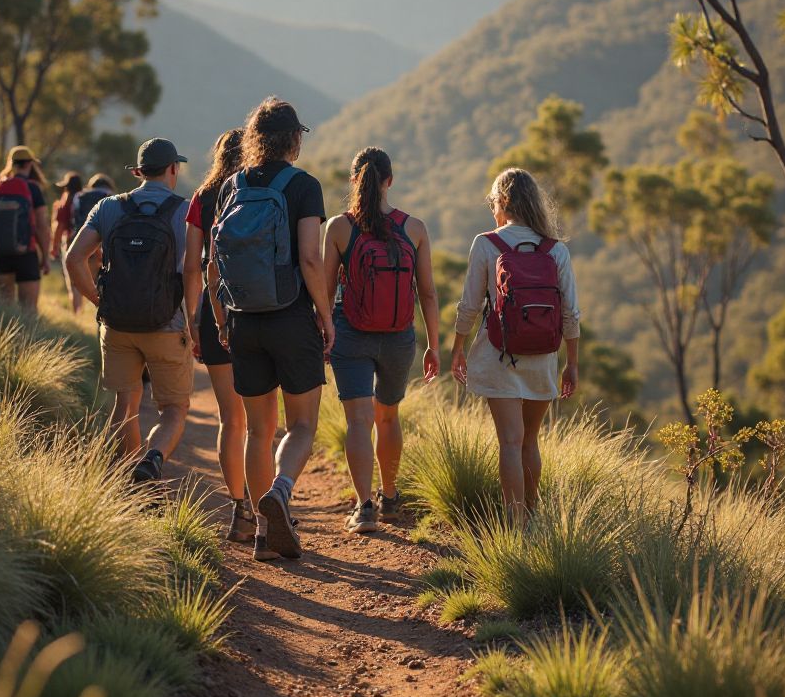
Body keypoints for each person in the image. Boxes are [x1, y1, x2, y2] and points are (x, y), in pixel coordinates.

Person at [208, 98, 332, 562]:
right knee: (301, 425)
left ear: (255, 136)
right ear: (295, 138)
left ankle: (262, 534)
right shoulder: (303, 186)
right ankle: (280, 493)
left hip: (243, 319)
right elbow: (311, 259)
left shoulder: (232, 185)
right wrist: (324, 314)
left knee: (259, 431)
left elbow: (213, 266)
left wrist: (222, 321)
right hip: (290, 317)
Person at [450, 168, 580, 523]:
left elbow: (470, 305)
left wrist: (458, 346)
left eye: (493, 203)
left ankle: (514, 525)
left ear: (503, 202)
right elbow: (571, 313)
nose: (493, 210)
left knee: (509, 442)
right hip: (542, 357)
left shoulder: (486, 244)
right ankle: (533, 518)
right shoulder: (556, 251)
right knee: (529, 442)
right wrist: (572, 363)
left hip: (499, 354)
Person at [323, 147, 441, 533]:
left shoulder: (340, 228)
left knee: (358, 422)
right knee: (387, 417)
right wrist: (433, 346)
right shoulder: (415, 228)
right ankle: (390, 498)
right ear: (390, 180)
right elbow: (428, 293)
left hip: (351, 334)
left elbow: (324, 292)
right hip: (399, 337)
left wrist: (324, 331)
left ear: (354, 180)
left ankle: (365, 507)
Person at [65, 138, 197, 484]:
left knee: (126, 404)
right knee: (174, 409)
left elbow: (74, 259)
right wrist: (194, 321)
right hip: (167, 325)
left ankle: (128, 482)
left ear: (138, 172)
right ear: (173, 169)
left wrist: (98, 300)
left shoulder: (108, 207)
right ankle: (152, 461)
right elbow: (194, 271)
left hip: (117, 324)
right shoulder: (185, 212)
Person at [184, 128, 252, 543]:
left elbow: (193, 266)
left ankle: (239, 509)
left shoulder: (201, 198)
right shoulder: (253, 191)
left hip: (215, 312)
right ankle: (268, 508)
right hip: (260, 311)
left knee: (231, 418)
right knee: (260, 421)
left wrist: (193, 318)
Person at [0, 145, 51, 314]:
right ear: (29, 164)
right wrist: (45, 257)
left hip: (0, 253)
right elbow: (42, 226)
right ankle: (29, 340)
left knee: (5, 305)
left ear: (11, 163)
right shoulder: (33, 188)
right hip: (27, 253)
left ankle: (4, 339)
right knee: (29, 310)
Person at [72, 173, 115, 285]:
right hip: (102, 242)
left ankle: (77, 303)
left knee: (78, 281)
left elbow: (74, 217)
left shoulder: (79, 196)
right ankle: (96, 300)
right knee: (98, 278)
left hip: (81, 239)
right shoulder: (110, 196)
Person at [51, 171, 84, 313]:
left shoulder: (67, 200)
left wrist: (54, 247)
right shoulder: (85, 199)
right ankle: (85, 312)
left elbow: (60, 226)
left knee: (73, 283)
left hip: (71, 243)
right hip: (89, 244)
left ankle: (77, 313)